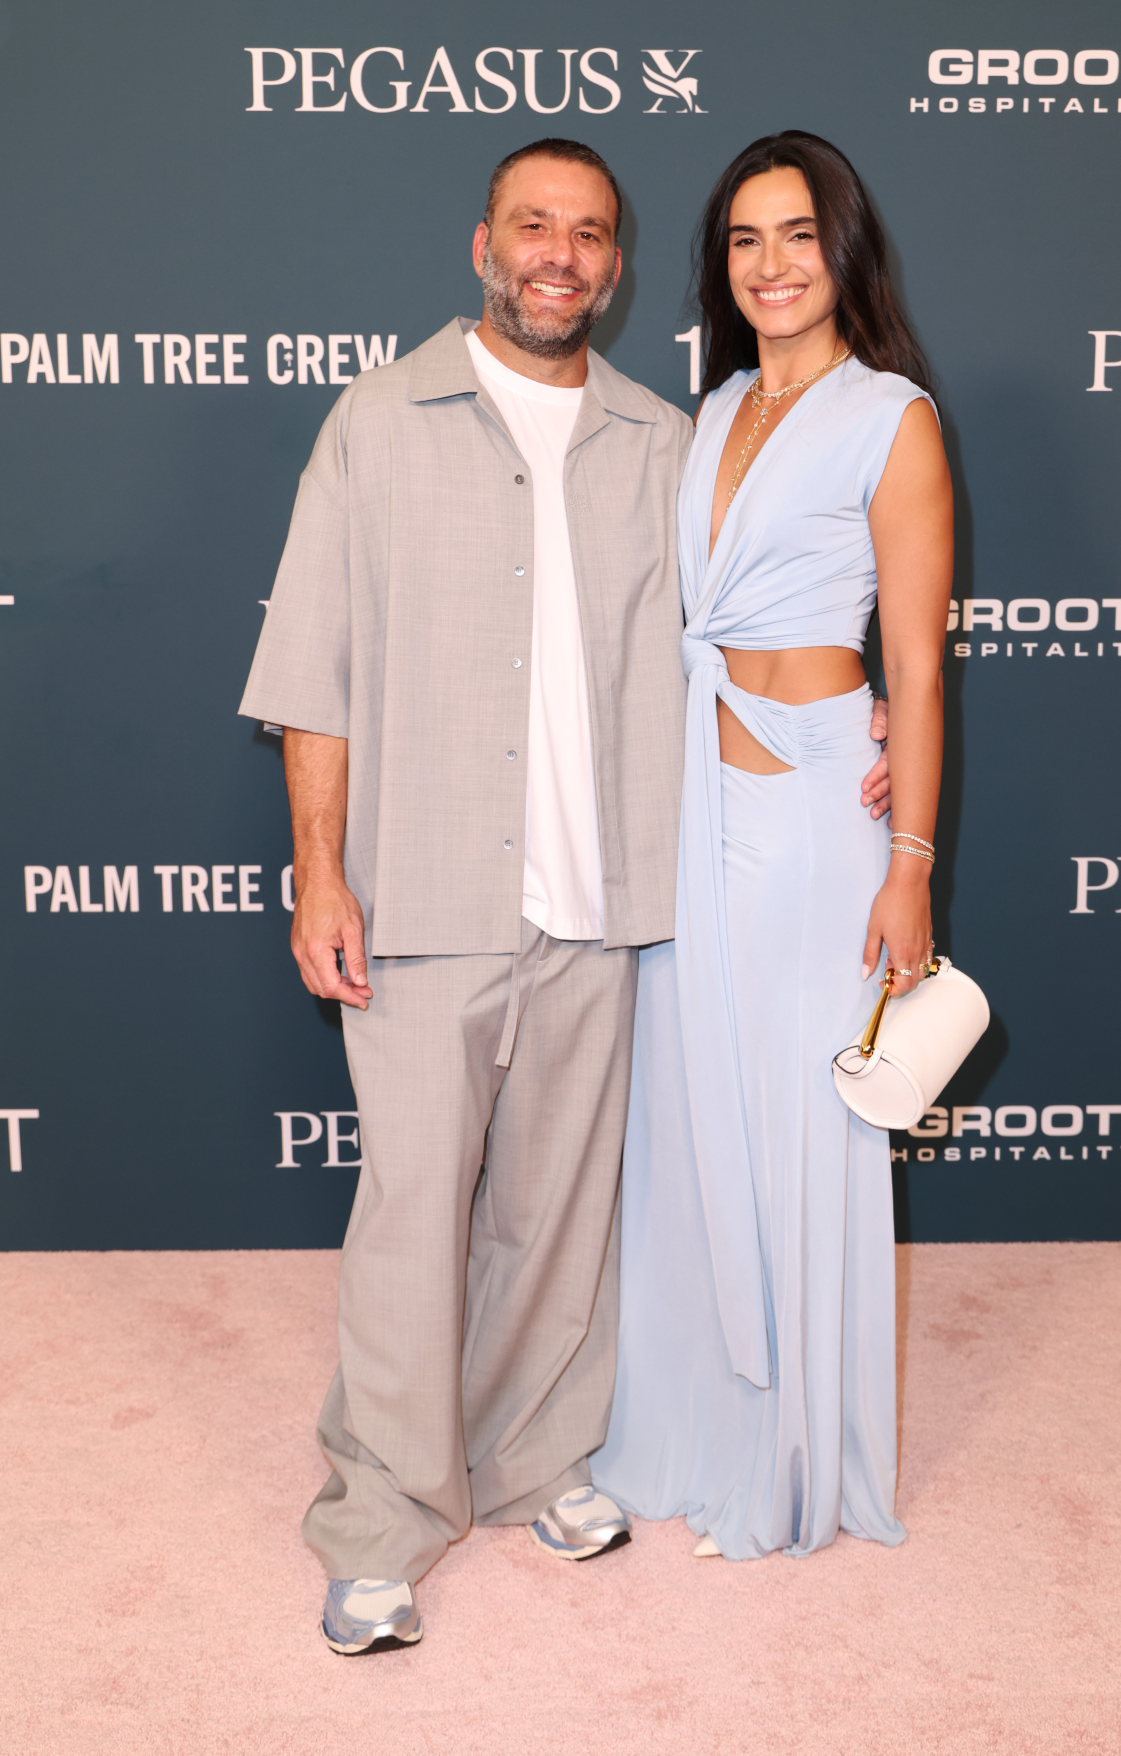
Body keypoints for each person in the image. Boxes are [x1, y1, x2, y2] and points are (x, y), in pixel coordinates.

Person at [241, 135, 894, 1652]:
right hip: (424, 896)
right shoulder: (380, 418)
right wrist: (321, 870)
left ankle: (533, 1459)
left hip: (603, 906)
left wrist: (846, 707)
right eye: (533, 225)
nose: (560, 253)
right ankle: (383, 1518)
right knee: (414, 1219)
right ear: (485, 246)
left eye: (589, 233)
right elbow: (313, 666)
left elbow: (748, 617)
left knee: (556, 1220)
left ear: (615, 264)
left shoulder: (662, 439)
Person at [592, 131, 953, 1562]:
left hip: (817, 816)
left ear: (843, 250)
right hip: (697, 799)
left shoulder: (892, 419)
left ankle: (794, 1453)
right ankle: (694, 1426)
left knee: (801, 1127)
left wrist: (910, 860)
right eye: (745, 240)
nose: (772, 264)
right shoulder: (717, 406)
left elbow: (915, 667)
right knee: (694, 1117)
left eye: (799, 234)